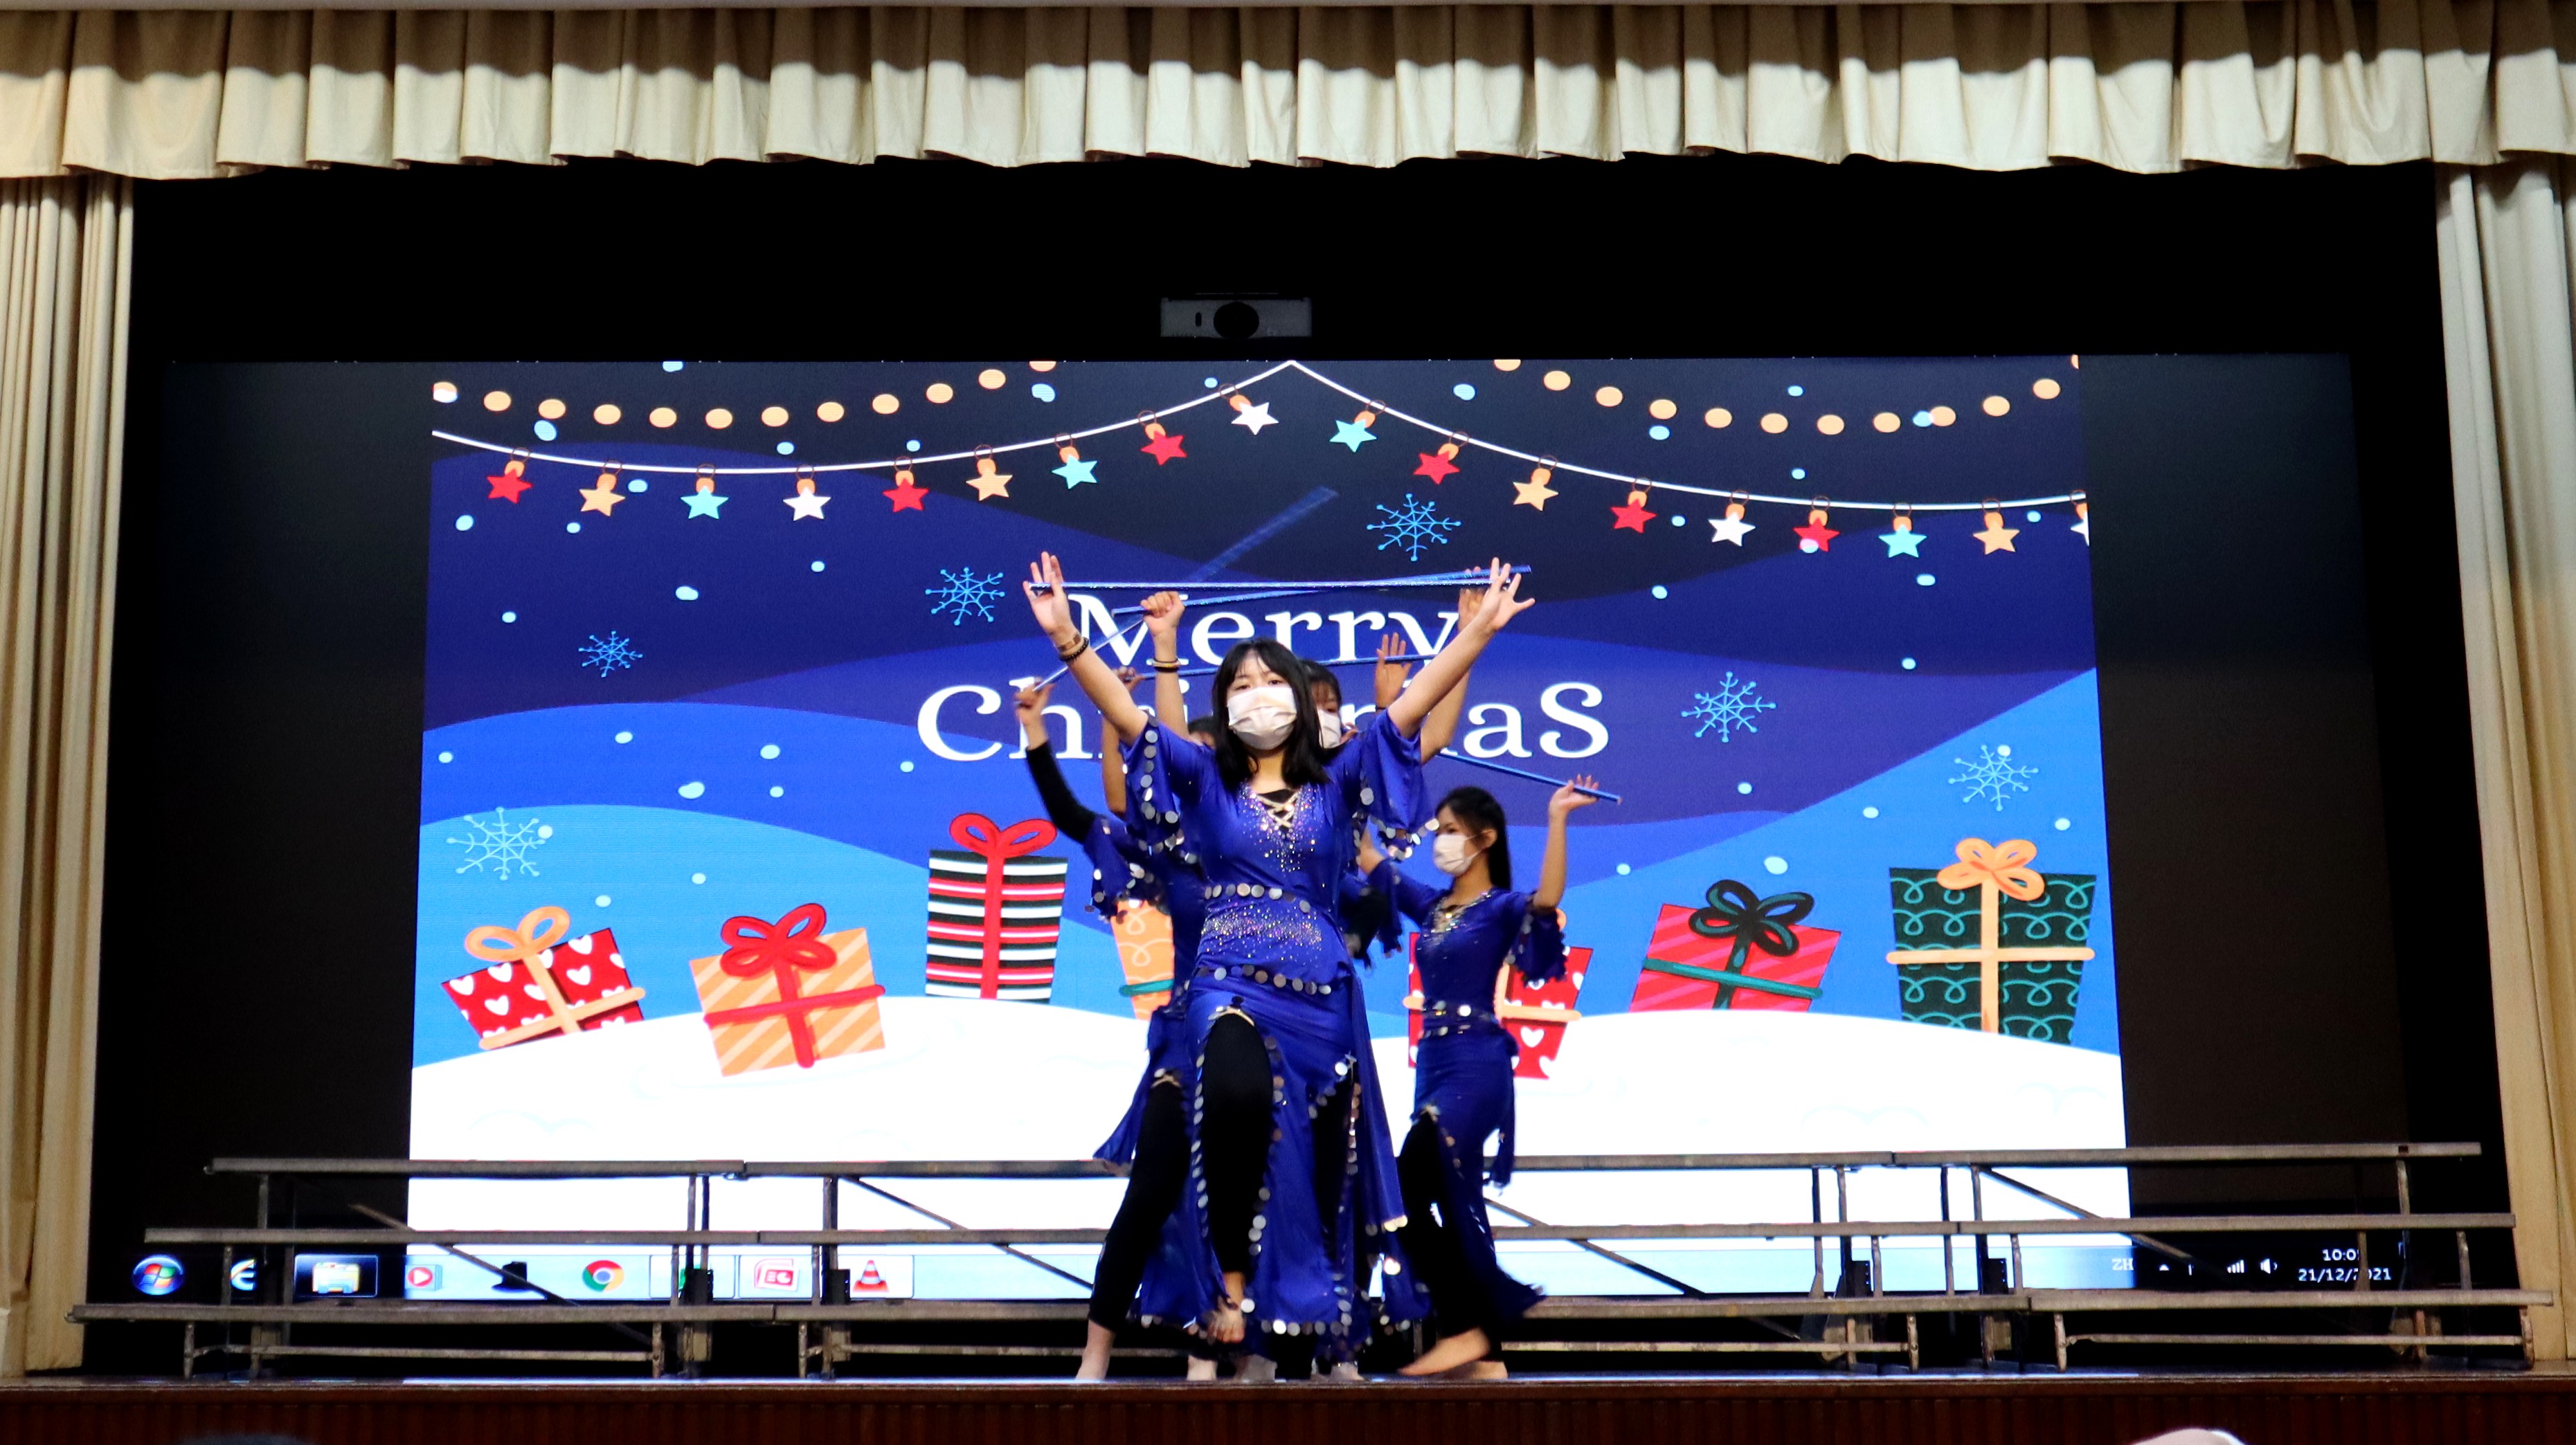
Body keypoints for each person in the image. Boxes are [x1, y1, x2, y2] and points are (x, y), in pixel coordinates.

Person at [1020, 552, 1534, 1373]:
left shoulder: (1340, 777)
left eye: (1269, 681)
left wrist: (1476, 634)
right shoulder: (1205, 778)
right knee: (1231, 1093)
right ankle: (1228, 1286)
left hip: (1322, 999)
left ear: (1297, 697)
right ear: (1224, 706)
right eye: (1239, 685)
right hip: (1226, 981)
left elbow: (1416, 705)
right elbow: (1127, 717)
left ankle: (1315, 1339)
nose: (1256, 694)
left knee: (1326, 1169)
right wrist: (1068, 639)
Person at [1011, 675, 1217, 1381]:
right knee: (1151, 1192)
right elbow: (1085, 815)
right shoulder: (1166, 850)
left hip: (1266, 1039)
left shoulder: (1271, 853)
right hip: (1186, 1044)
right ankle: (1095, 1352)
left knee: (1235, 1202)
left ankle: (1209, 1355)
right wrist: (1037, 730)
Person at [1362, 777, 1597, 1377]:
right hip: (1434, 1065)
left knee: (1405, 1188)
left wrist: (1557, 818)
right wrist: (1338, 782)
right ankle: (1484, 1350)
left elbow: (1547, 898)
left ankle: (1469, 1326)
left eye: (1450, 831)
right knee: (1437, 1200)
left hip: (1477, 1065)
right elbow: (1369, 860)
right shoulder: (1433, 908)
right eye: (1437, 831)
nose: (1439, 842)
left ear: (1484, 839)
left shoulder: (1501, 908)